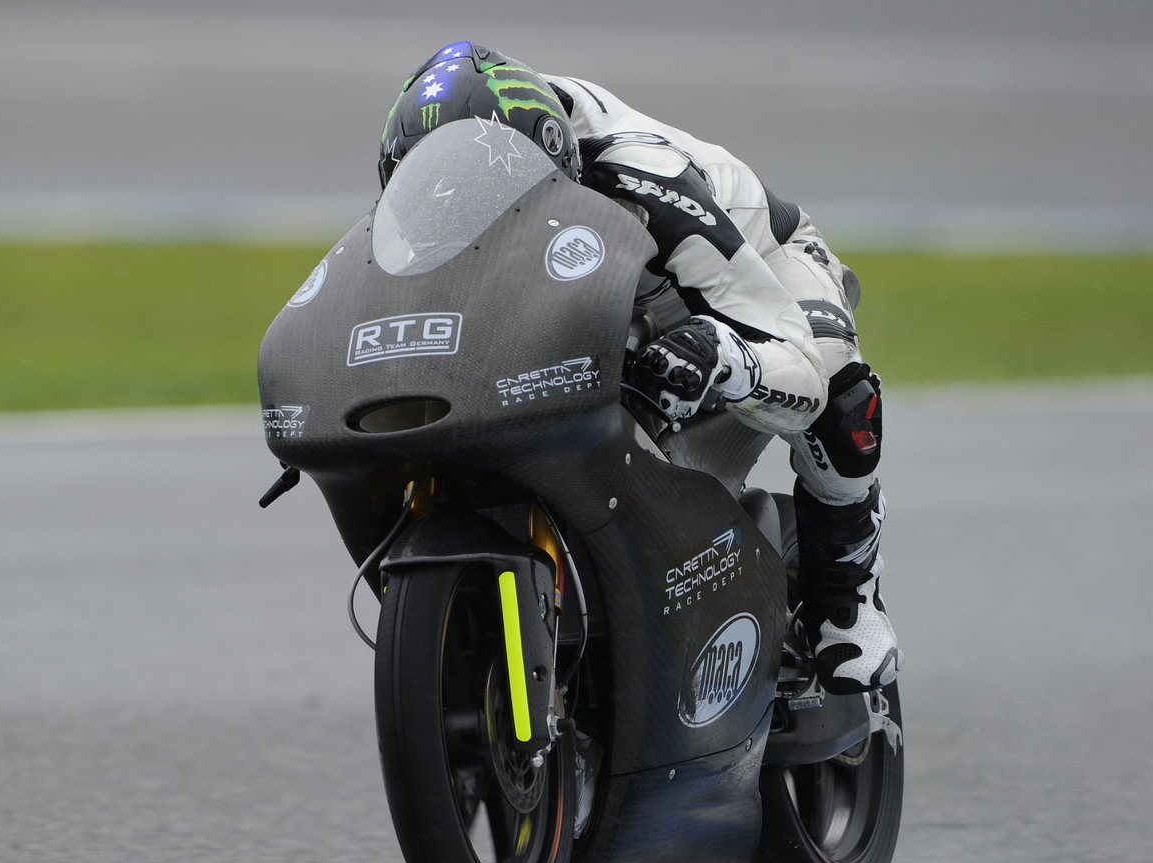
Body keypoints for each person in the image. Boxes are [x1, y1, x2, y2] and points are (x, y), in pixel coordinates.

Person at [377, 41, 899, 695]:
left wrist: (725, 357)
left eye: (484, 202)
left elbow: (800, 372)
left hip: (746, 269)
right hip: (600, 286)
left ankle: (848, 597)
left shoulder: (640, 171)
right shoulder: (437, 171)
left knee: (837, 382)